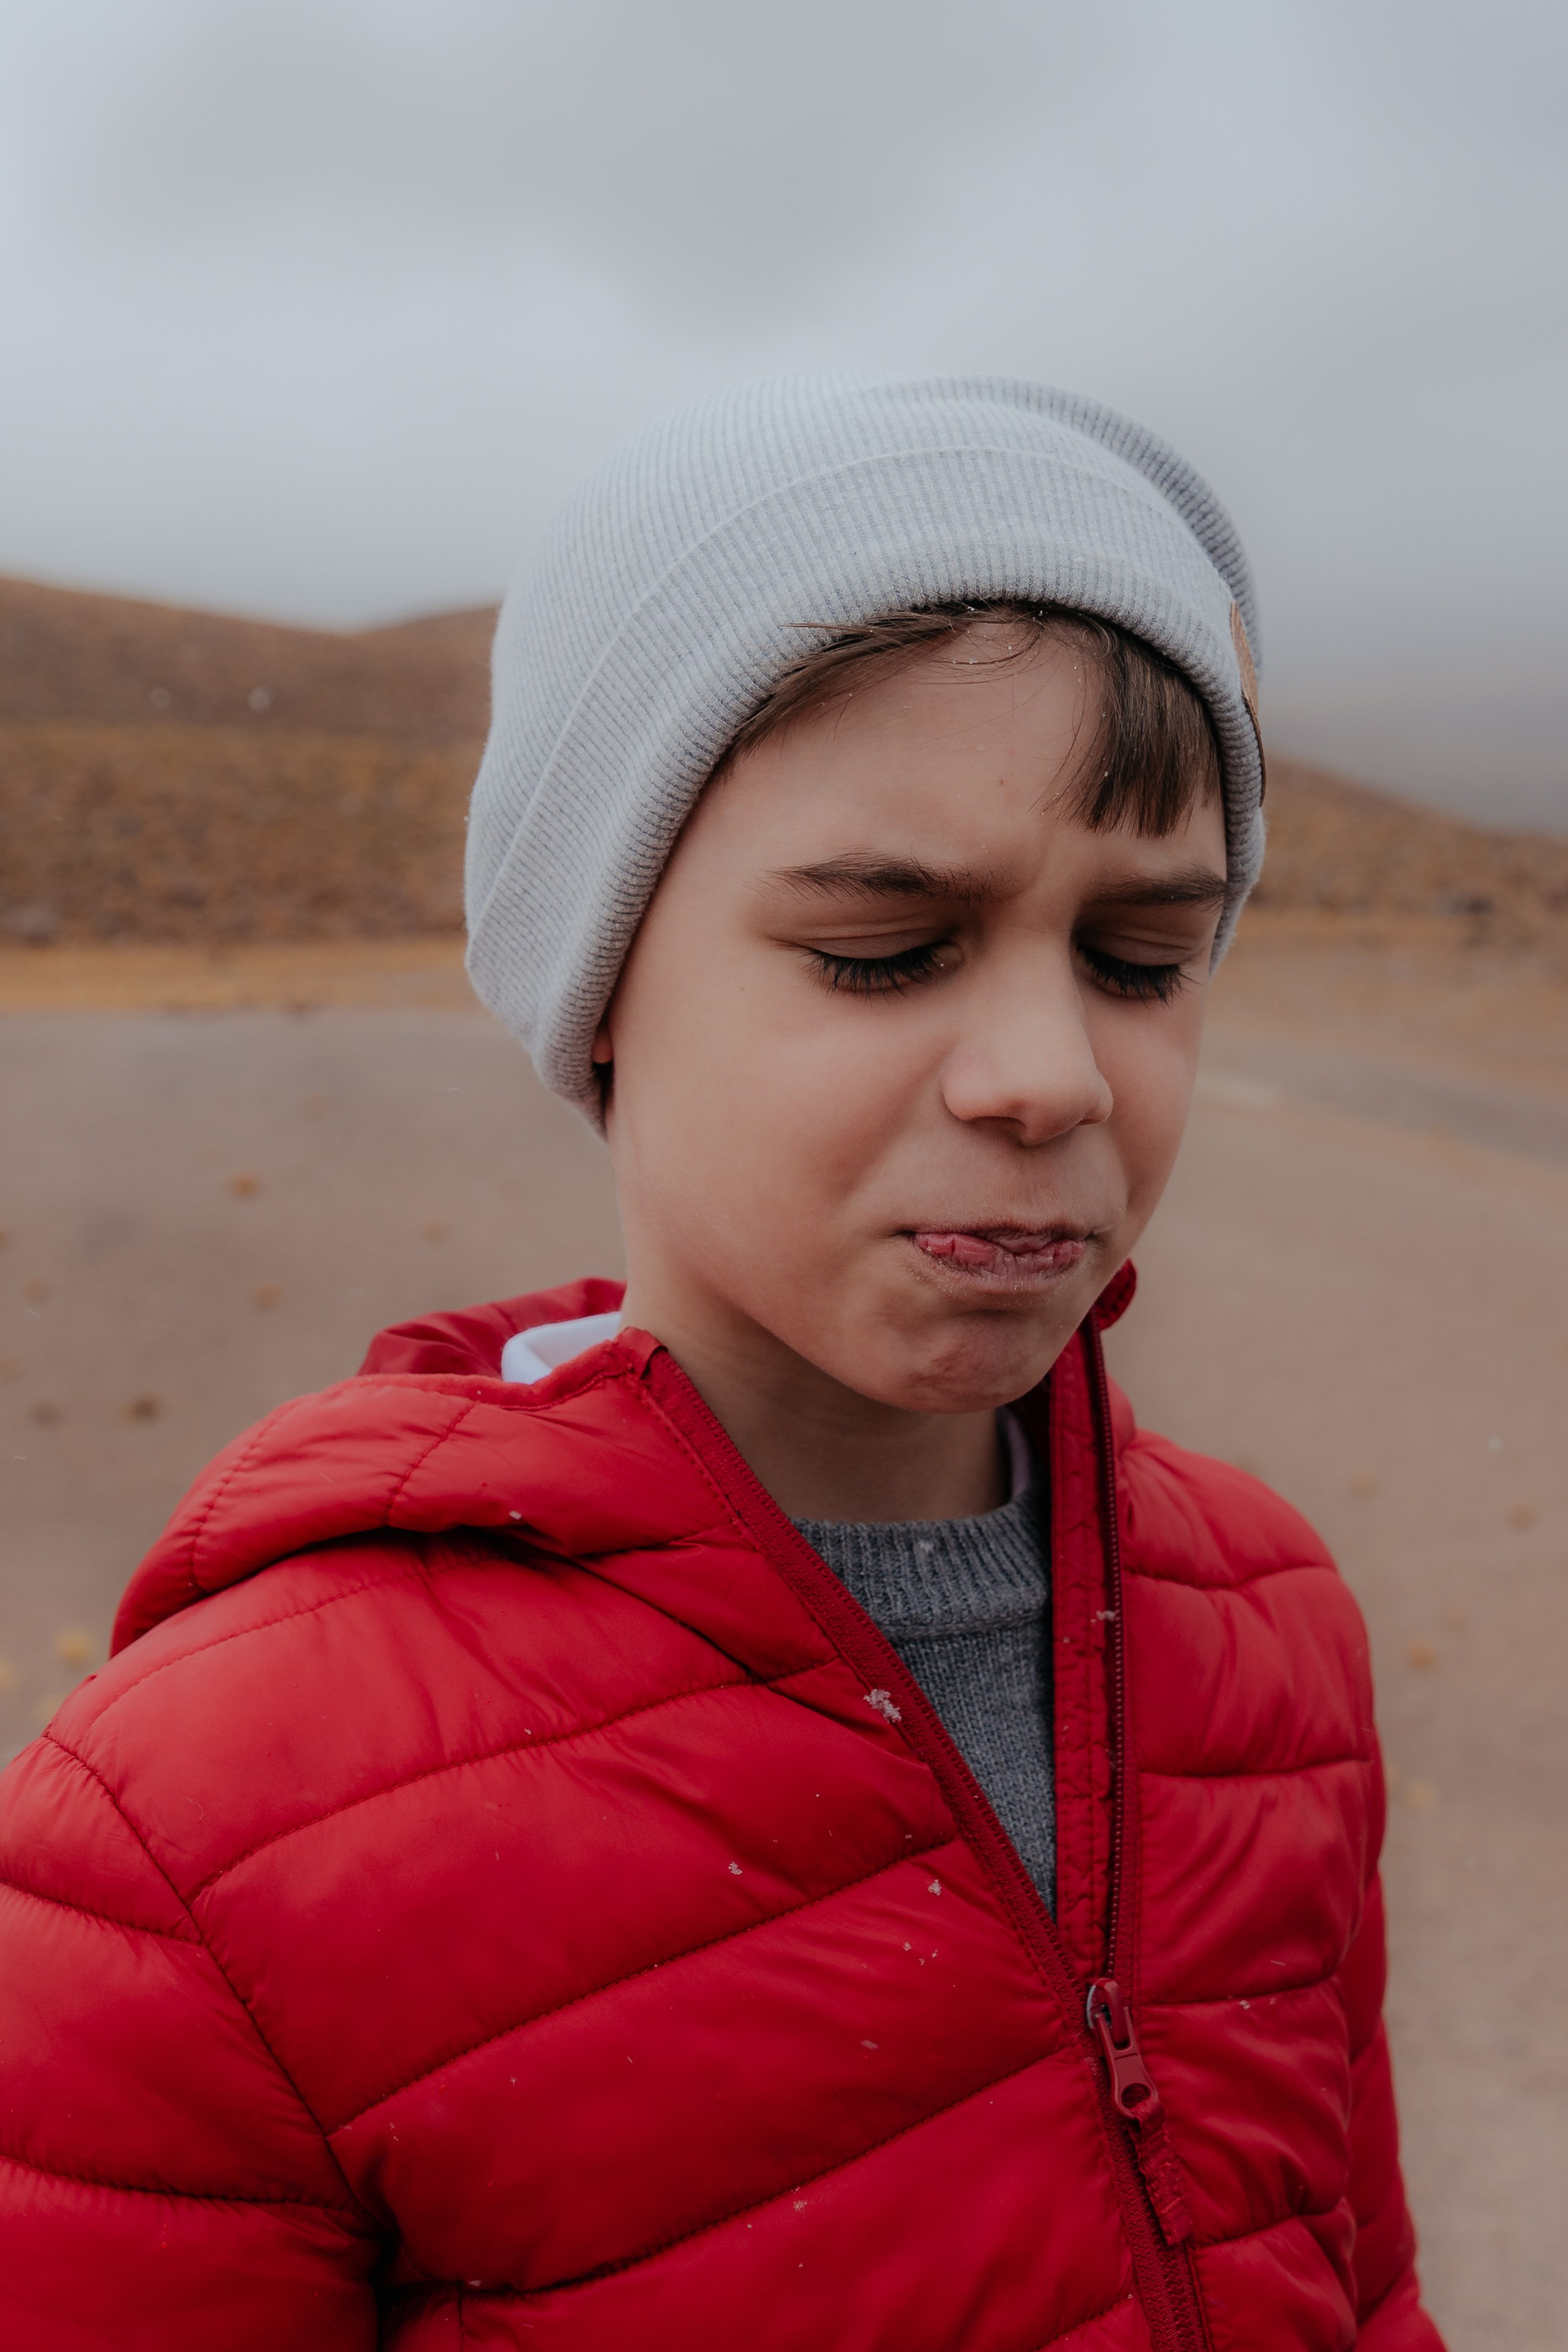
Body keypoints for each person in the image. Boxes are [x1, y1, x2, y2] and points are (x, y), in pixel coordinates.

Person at [0, 377, 1443, 2350]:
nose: (1050, 1076)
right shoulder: (202, 1822)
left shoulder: (1267, 1632)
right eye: (884, 948)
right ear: (601, 991)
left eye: (1139, 958)